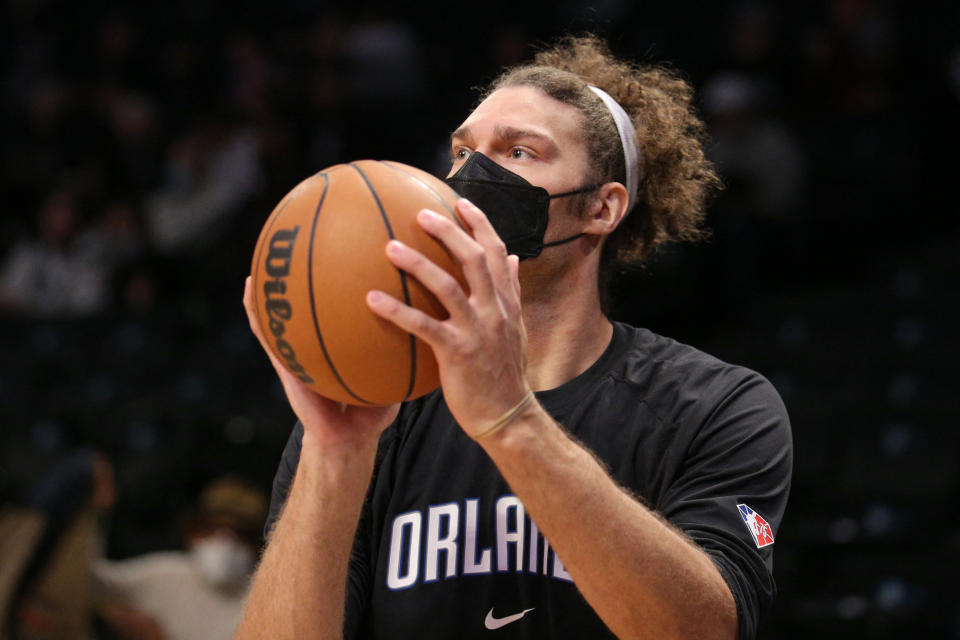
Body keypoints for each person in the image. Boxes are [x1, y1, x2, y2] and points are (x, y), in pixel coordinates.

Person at [237, 34, 792, 640]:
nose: (469, 175)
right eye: (461, 152)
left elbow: (705, 632)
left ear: (601, 209)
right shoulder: (376, 404)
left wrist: (512, 420)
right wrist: (334, 455)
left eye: (519, 152)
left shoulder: (717, 406)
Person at [93, 476, 267, 640]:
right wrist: (94, 511)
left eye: (242, 534)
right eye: (212, 528)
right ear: (192, 531)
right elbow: (92, 583)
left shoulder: (264, 600)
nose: (226, 543)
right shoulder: (163, 575)